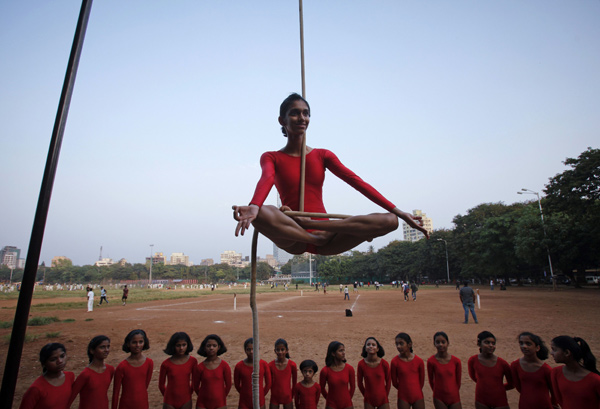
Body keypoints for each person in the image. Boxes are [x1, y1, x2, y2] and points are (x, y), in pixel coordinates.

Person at [232, 93, 429, 256]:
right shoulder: (271, 157)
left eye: (306, 113)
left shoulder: (322, 155)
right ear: (282, 120)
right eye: (294, 113)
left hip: (328, 237)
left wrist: (399, 212)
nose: (302, 118)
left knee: (390, 221)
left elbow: (356, 182)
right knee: (260, 211)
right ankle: (311, 236)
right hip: (293, 235)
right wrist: (254, 205)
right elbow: (266, 178)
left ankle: (317, 232)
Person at [550, 335, 600, 408]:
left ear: (567, 353)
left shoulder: (595, 380)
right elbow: (560, 400)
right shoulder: (556, 373)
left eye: (554, 350)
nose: (551, 353)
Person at [19, 343, 74, 409]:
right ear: (43, 363)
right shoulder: (36, 389)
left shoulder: (70, 377)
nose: (60, 361)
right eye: (53, 359)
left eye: (62, 356)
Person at [510, 332, 556, 409]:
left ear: (537, 348)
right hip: (525, 404)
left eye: (528, 344)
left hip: (544, 405)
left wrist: (554, 403)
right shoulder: (515, 365)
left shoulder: (546, 369)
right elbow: (518, 386)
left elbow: (554, 391)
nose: (524, 346)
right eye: (521, 343)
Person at [467, 331, 513, 409]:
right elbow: (474, 377)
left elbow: (512, 383)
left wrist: (498, 388)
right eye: (487, 342)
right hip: (481, 399)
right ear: (479, 343)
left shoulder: (503, 364)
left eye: (493, 343)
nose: (490, 345)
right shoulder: (473, 360)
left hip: (499, 399)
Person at [112, 329, 154, 409]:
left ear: (144, 343)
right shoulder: (122, 367)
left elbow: (145, 386)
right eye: (134, 342)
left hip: (143, 404)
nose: (137, 345)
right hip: (126, 405)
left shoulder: (149, 363)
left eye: (140, 342)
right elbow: (116, 393)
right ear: (128, 344)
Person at [69, 335, 114, 409]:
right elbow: (71, 397)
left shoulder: (110, 370)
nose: (106, 350)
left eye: (108, 346)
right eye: (102, 347)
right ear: (92, 350)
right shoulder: (85, 374)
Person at [159, 332, 197, 409]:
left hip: (186, 399)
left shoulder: (192, 361)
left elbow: (194, 381)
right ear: (173, 346)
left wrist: (189, 392)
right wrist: (167, 396)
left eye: (184, 345)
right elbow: (161, 385)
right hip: (169, 400)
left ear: (188, 345)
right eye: (178, 345)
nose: (181, 348)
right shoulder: (166, 364)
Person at [193, 334, 232, 409]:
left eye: (214, 346)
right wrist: (204, 396)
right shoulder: (200, 367)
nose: (211, 348)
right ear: (204, 347)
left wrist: (221, 397)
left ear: (219, 347)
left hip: (220, 403)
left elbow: (228, 385)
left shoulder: (224, 366)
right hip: (202, 403)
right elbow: (196, 386)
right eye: (208, 346)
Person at [427, 332, 462, 409]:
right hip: (439, 397)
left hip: (454, 396)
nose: (440, 345)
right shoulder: (431, 361)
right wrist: (437, 392)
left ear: (448, 343)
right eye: (437, 342)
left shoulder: (456, 361)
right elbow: (431, 380)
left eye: (443, 342)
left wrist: (453, 392)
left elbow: (458, 381)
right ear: (434, 344)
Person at [234, 337, 272, 409]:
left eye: (254, 349)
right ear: (245, 350)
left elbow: (268, 383)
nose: (251, 352)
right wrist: (244, 393)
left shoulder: (264, 364)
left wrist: (261, 394)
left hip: (259, 400)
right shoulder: (239, 366)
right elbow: (237, 385)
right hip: (244, 401)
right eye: (248, 349)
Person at [390, 333, 425, 409]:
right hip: (403, 396)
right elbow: (394, 382)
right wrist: (404, 389)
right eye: (397, 344)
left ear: (409, 344)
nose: (398, 346)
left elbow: (421, 380)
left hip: (417, 395)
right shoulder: (394, 362)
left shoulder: (419, 361)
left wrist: (415, 389)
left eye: (401, 343)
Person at [357, 337, 391, 409]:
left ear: (378, 349)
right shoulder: (361, 364)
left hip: (383, 399)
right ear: (365, 348)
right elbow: (359, 383)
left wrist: (385, 395)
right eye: (368, 344)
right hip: (368, 400)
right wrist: (366, 395)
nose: (371, 346)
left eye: (373, 345)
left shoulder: (384, 364)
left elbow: (388, 381)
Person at [320, 341, 355, 409]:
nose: (343, 353)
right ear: (333, 353)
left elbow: (353, 387)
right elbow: (322, 388)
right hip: (331, 405)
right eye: (340, 351)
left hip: (347, 404)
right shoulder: (325, 371)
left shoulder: (349, 369)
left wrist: (348, 399)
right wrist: (329, 399)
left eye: (343, 350)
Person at [269, 339, 297, 409]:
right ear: (274, 351)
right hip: (274, 397)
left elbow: (294, 382)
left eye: (282, 349)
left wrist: (292, 395)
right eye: (278, 350)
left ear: (287, 350)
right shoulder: (270, 365)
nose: (280, 352)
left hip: (287, 396)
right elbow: (268, 382)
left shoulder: (292, 365)